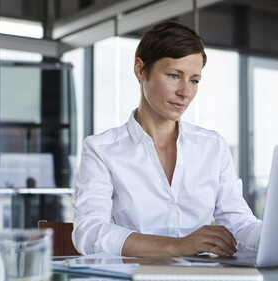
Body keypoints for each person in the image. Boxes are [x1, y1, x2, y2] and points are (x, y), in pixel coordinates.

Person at [72, 20, 262, 257]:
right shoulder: (101, 150)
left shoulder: (213, 147)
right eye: (174, 75)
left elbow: (240, 227)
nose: (185, 92)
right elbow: (89, 232)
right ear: (140, 70)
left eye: (194, 80)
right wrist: (176, 246)